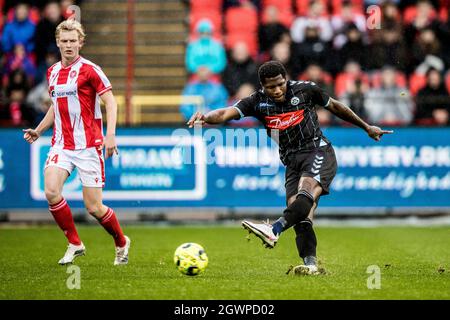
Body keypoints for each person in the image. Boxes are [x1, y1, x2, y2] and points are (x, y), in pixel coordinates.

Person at [187, 61, 393, 275]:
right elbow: (225, 114)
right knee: (300, 214)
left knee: (306, 192)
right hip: (291, 161)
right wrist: (205, 116)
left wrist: (366, 127)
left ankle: (273, 229)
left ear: (286, 79)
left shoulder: (305, 90)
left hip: (317, 150)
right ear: (262, 86)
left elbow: (335, 106)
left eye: (280, 84)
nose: (276, 90)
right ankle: (311, 264)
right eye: (270, 87)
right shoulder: (256, 102)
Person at [22, 19, 130, 266]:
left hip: (89, 145)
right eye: (64, 41)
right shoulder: (51, 72)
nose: (69, 45)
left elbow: (111, 102)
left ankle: (122, 242)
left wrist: (110, 134)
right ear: (58, 43)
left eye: (73, 41)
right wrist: (39, 130)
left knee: (94, 207)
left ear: (80, 42)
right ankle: (75, 243)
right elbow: (55, 107)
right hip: (62, 143)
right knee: (50, 190)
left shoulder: (90, 70)